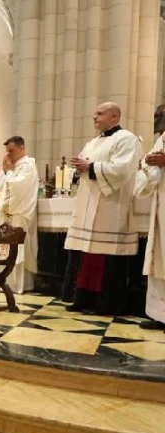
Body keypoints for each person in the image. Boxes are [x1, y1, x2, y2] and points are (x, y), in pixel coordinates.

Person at [64, 102, 142, 316]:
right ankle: (82, 298)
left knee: (104, 257)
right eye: (94, 114)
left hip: (110, 208)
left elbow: (122, 170)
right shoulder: (92, 143)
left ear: (114, 117)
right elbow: (82, 167)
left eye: (99, 114)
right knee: (86, 254)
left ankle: (104, 303)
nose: (94, 117)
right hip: (87, 207)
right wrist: (77, 169)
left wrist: (90, 167)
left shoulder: (127, 139)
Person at [0, 136, 39, 294]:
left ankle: (16, 285)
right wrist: (5, 172)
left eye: (11, 151)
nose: (8, 154)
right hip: (6, 215)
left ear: (22, 148)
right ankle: (1, 280)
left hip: (17, 215)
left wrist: (8, 172)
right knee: (2, 250)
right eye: (7, 151)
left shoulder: (28, 166)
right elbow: (1, 188)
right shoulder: (13, 167)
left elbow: (18, 187)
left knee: (15, 250)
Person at [136, 131, 165, 330]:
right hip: (161, 201)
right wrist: (148, 162)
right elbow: (152, 161)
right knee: (160, 256)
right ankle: (160, 314)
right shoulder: (163, 137)